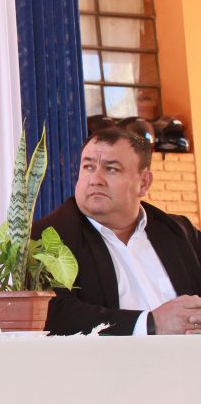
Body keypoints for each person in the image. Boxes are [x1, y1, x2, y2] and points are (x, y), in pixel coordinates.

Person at [32, 128, 201, 335]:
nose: (95, 179)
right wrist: (150, 323)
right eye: (88, 167)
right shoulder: (47, 237)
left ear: (144, 183)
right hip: (107, 357)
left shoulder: (178, 230)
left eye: (111, 169)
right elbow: (53, 312)